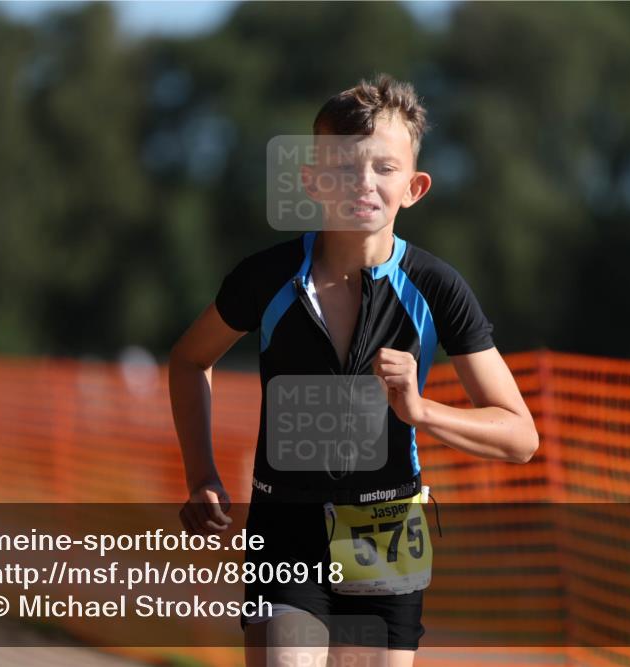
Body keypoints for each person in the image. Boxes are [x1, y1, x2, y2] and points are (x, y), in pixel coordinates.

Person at [169, 73, 539, 667]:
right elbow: (190, 359)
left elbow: (521, 436)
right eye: (342, 167)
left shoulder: (436, 288)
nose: (362, 183)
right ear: (313, 180)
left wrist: (421, 411)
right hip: (284, 524)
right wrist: (201, 473)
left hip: (388, 532)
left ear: (414, 187)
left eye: (384, 169)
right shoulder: (266, 278)